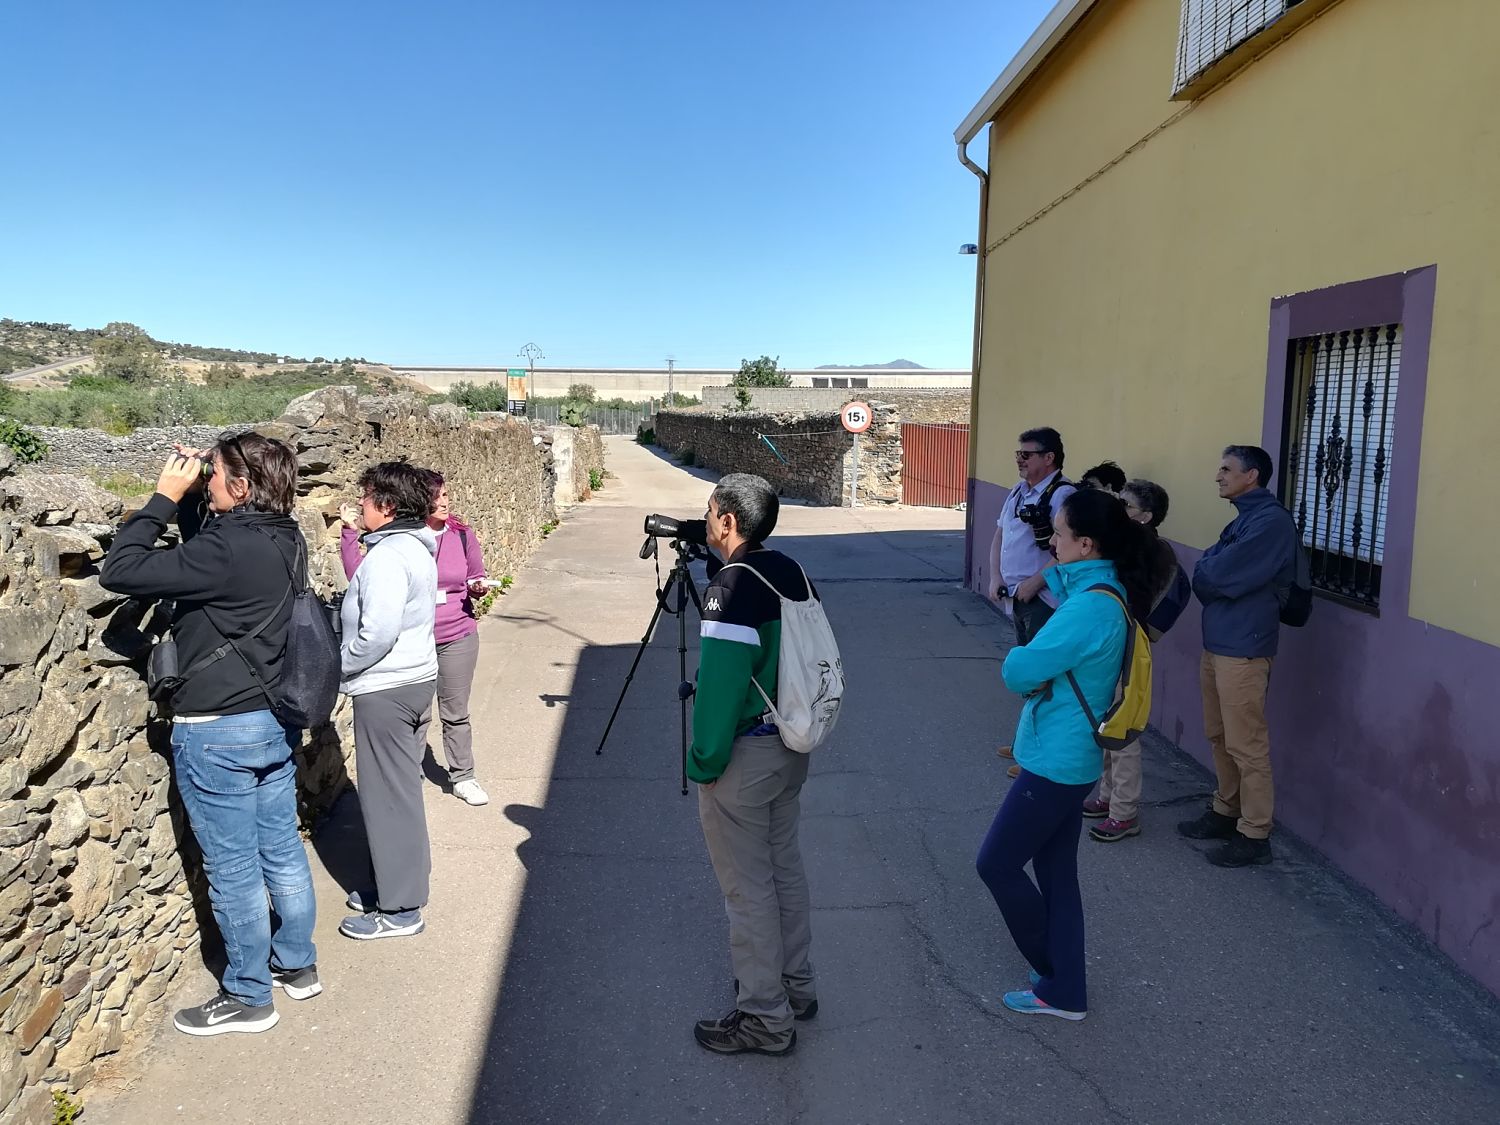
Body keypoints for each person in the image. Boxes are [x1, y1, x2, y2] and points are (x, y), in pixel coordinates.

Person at [101, 433, 321, 1036]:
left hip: (217, 730)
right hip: (272, 720)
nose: (209, 481)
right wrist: (202, 487)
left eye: (216, 474)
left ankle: (249, 996)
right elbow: (214, 550)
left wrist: (165, 496)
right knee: (281, 847)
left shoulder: (225, 550)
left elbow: (120, 571)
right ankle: (296, 964)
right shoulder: (286, 536)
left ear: (242, 487)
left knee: (233, 867)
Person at [976, 489, 1174, 1020]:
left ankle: (1058, 975)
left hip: (1057, 761)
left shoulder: (1089, 607)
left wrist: (1023, 659)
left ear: (1086, 544)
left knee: (996, 864)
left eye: (1059, 535)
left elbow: (1019, 670)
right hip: (1074, 755)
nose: (1052, 544)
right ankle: (1064, 986)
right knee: (1057, 873)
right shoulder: (1105, 592)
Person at [689, 473, 819, 1057]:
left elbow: (720, 688)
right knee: (783, 869)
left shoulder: (732, 585)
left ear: (727, 521)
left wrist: (705, 761)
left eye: (709, 510)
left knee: (747, 890)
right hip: (789, 742)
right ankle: (795, 987)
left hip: (746, 753)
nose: (705, 520)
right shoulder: (789, 569)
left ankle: (764, 1017)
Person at [1178, 445, 1297, 868]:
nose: (1218, 476)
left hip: (1244, 649)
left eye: (1227, 469)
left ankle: (1255, 834)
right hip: (1220, 643)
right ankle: (1226, 809)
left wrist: (1209, 572)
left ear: (1252, 476)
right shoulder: (1245, 519)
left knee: (1247, 744)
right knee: (1219, 734)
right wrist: (1209, 571)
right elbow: (1208, 567)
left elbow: (1217, 573)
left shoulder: (1270, 522)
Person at [342, 469, 490, 806]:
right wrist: (350, 534)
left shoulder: (462, 536)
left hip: (457, 634)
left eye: (446, 494)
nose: (445, 502)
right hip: (415, 639)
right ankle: (409, 775)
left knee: (455, 711)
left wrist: (478, 586)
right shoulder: (399, 542)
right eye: (437, 497)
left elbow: (475, 573)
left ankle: (463, 776)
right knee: (417, 715)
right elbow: (358, 576)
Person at [338, 461, 440, 939]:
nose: (360, 505)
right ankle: (397, 883)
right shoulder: (418, 546)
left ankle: (400, 909)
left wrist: (339, 666)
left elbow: (376, 633)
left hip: (386, 688)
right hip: (414, 680)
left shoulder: (386, 557)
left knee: (387, 800)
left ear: (386, 505)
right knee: (402, 793)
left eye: (365, 497)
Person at [1084, 479, 1181, 843]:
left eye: (1126, 505)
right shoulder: (1130, 544)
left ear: (1146, 516)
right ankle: (1108, 796)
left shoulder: (1146, 549)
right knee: (1107, 720)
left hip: (1128, 644)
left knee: (1122, 728)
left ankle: (1124, 812)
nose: (1119, 509)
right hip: (1114, 642)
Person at [986, 427, 1075, 776]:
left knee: (1044, 679)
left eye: (1027, 454)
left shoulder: (1062, 495)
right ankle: (1026, 742)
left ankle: (1037, 758)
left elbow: (1068, 550)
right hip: (1018, 598)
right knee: (1028, 676)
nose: (1020, 460)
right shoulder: (1018, 491)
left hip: (1044, 601)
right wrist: (995, 576)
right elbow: (1000, 535)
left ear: (1049, 457)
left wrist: (1035, 582)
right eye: (1018, 454)